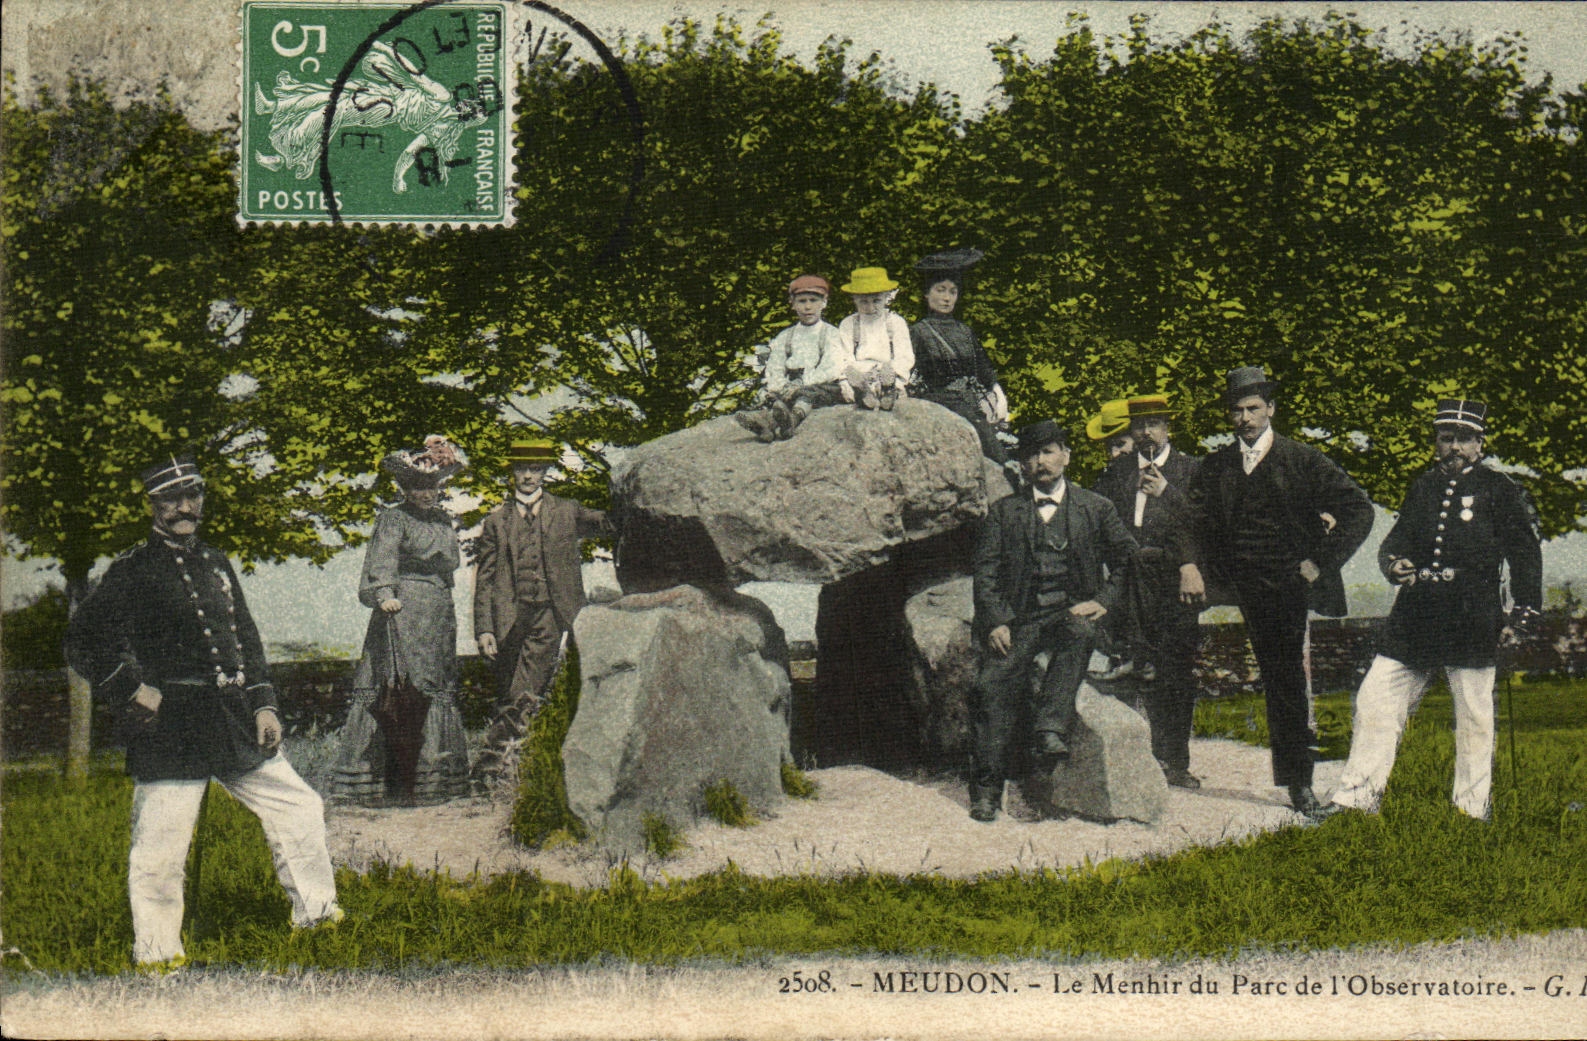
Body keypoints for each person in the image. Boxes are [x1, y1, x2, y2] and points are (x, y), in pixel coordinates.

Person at [67, 454, 342, 969]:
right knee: (161, 850)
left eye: (193, 496)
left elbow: (246, 638)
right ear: (152, 504)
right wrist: (131, 689)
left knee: (299, 807)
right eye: (172, 499)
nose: (185, 507)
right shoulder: (131, 568)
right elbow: (81, 639)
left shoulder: (217, 562)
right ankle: (158, 956)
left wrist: (263, 703)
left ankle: (319, 918)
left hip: (231, 719)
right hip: (168, 728)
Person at [1320, 399, 1542, 821]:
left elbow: (1525, 555)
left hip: (1473, 616)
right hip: (1417, 614)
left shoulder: (1500, 489)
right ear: (1436, 443)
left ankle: (1471, 809)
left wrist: (1522, 614)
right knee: (1375, 699)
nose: (1454, 447)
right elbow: (1396, 541)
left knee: (1474, 715)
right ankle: (1357, 799)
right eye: (1446, 439)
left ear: (1480, 443)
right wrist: (1394, 563)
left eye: (1463, 439)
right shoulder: (1422, 487)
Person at [1186, 366, 1374, 817]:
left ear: (1271, 409)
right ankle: (1171, 762)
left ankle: (1299, 785)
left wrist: (1318, 563)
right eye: (1237, 410)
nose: (1245, 418)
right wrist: (1191, 565)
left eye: (1253, 408)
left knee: (1285, 681)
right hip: (1233, 584)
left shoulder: (1302, 459)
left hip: (1285, 588)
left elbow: (1358, 510)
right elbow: (1190, 521)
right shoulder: (1216, 466)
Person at [968, 420, 1138, 822]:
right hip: (1022, 620)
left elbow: (1128, 560)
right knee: (991, 683)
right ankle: (987, 790)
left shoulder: (1095, 507)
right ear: (1022, 465)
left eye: (1048, 452)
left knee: (1080, 632)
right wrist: (996, 621)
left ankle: (1051, 729)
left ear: (1066, 456)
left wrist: (1102, 600)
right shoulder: (1004, 512)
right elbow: (986, 574)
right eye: (1031, 455)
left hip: (1071, 614)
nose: (1040, 462)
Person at [331, 436, 471, 806]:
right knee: (399, 689)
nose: (426, 493)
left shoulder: (443, 520)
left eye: (432, 486)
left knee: (436, 687)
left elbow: (450, 563)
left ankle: (435, 781)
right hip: (403, 612)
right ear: (404, 488)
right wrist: (385, 596)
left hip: (438, 614)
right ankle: (386, 781)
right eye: (418, 486)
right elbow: (381, 562)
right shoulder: (392, 518)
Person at [472, 438, 613, 791]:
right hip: (507, 619)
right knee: (509, 694)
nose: (528, 476)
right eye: (522, 469)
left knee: (526, 690)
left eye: (535, 469)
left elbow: (608, 524)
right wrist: (484, 629)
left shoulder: (567, 511)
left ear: (545, 472)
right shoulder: (495, 522)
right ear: (512, 474)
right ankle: (507, 770)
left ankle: (492, 767)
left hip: (550, 614)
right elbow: (485, 580)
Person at [1093, 395, 1205, 787]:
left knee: (1177, 672)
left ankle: (1175, 762)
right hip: (1129, 584)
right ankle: (1134, 765)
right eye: (1139, 425)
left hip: (1177, 585)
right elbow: (1098, 521)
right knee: (1137, 674)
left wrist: (1167, 493)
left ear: (1167, 428)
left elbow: (1207, 523)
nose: (1146, 433)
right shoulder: (1117, 471)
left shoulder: (1191, 469)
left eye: (1154, 424)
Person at [908, 248, 1011, 468]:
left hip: (972, 402)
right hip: (940, 403)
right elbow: (909, 374)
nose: (946, 298)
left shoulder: (965, 331)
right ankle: (1004, 464)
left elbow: (984, 369)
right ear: (926, 294)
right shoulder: (918, 332)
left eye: (953, 292)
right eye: (940, 290)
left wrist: (997, 396)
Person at [734, 274, 850, 442]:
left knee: (808, 394)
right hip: (789, 387)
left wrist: (801, 383)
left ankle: (792, 420)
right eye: (802, 301)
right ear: (793, 303)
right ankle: (766, 427)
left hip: (819, 384)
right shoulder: (786, 336)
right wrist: (780, 386)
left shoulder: (830, 333)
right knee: (773, 397)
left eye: (813, 300)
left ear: (824, 303)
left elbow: (831, 367)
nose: (808, 307)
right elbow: (775, 367)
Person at [836, 267, 915, 410]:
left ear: (887, 297)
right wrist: (845, 382)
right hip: (859, 374)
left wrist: (897, 380)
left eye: (876, 300)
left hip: (886, 371)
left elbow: (905, 357)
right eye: (864, 301)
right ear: (854, 299)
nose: (870, 307)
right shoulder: (849, 324)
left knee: (891, 385)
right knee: (851, 387)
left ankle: (888, 390)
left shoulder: (895, 322)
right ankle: (863, 392)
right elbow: (843, 357)